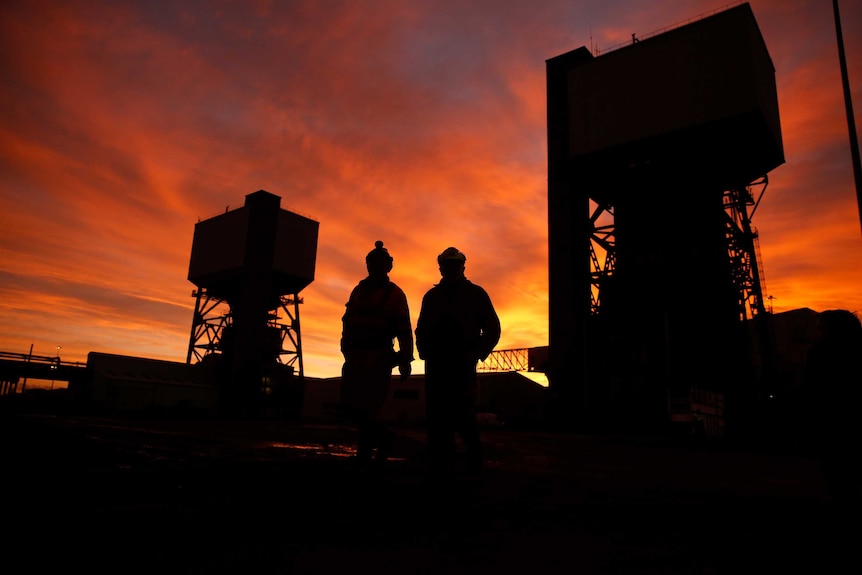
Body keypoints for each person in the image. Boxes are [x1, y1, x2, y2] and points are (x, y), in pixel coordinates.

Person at [415, 246, 501, 478]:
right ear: (441, 267)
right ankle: (441, 467)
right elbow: (421, 329)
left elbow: (492, 329)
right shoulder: (432, 297)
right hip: (437, 365)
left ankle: (474, 466)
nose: (450, 268)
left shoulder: (476, 294)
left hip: (461, 365)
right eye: (447, 264)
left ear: (462, 266)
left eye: (455, 264)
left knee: (463, 414)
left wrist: (475, 354)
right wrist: (424, 352)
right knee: (437, 417)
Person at [340, 241, 414, 469]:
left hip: (378, 356)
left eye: (381, 263)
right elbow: (348, 320)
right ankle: (382, 439)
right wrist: (345, 347)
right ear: (368, 265)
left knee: (369, 408)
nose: (376, 266)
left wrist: (405, 359)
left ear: (388, 266)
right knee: (353, 407)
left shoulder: (395, 294)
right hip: (355, 356)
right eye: (372, 262)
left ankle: (367, 452)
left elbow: (404, 328)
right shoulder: (358, 290)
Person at [802, 308, 862, 504]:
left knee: (837, 478)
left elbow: (812, 391)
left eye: (821, 329)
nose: (818, 334)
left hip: (832, 426)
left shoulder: (820, 353)